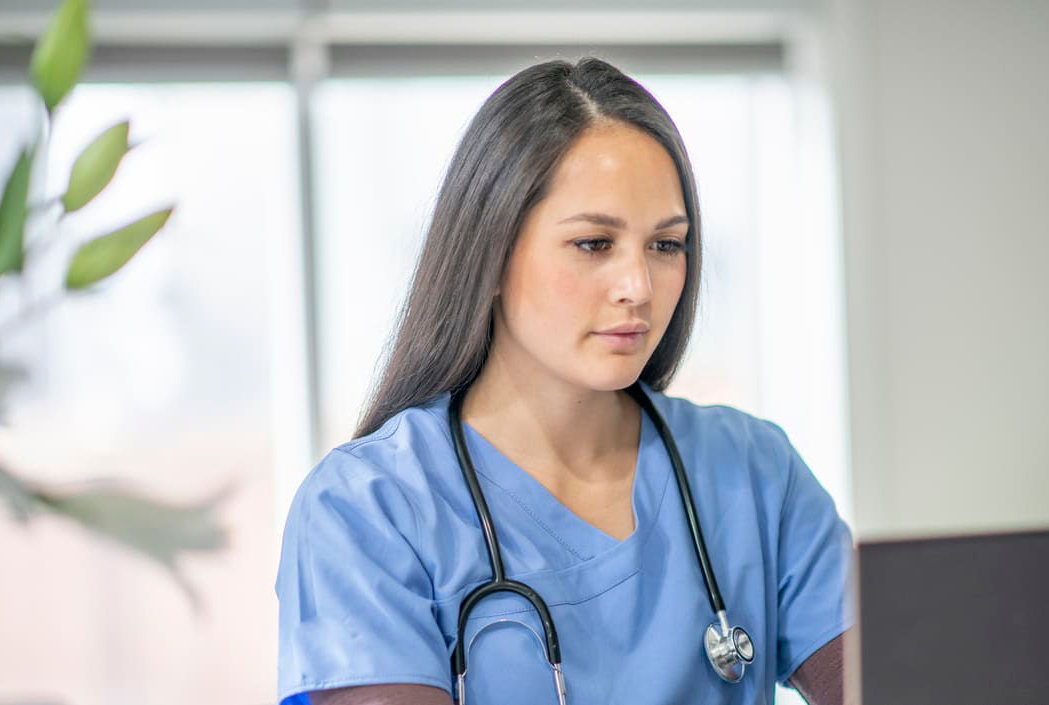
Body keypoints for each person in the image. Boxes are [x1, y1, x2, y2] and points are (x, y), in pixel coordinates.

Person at [275, 56, 856, 705]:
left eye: (666, 245)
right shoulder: (368, 509)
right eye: (593, 244)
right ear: (490, 252)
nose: (638, 286)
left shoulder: (753, 472)